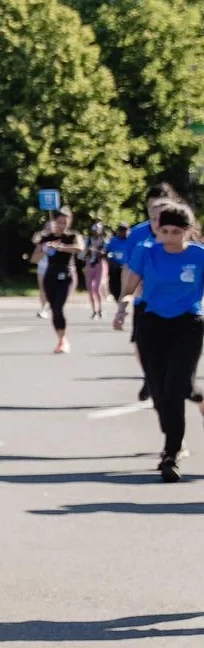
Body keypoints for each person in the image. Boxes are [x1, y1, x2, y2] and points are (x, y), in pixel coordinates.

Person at [120, 195, 203, 478]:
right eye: (164, 231)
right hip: (153, 325)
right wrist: (122, 306)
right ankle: (176, 433)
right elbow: (131, 287)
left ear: (188, 231)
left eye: (176, 232)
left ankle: (170, 454)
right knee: (160, 391)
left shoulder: (199, 256)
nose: (169, 237)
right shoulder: (147, 252)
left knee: (175, 388)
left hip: (188, 324)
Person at [34, 207, 80, 355]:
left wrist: (60, 247)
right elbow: (34, 259)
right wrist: (42, 248)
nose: (62, 225)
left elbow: (79, 248)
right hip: (50, 275)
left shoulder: (72, 236)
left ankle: (63, 340)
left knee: (59, 307)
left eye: (65, 222)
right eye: (59, 222)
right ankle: (60, 338)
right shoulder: (47, 237)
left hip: (65, 275)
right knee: (54, 309)